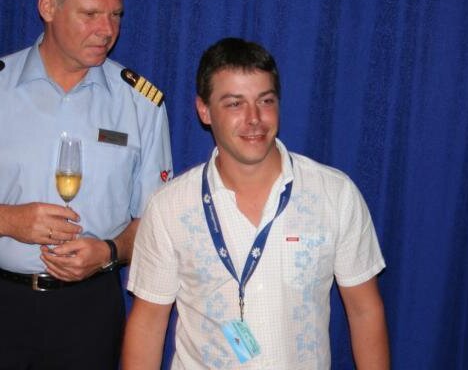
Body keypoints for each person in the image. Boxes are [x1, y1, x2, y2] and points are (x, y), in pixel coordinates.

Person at [122, 37, 389, 369]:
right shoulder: (168, 207)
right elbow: (148, 323)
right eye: (235, 104)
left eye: (265, 101)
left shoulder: (336, 195)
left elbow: (365, 310)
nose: (254, 118)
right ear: (204, 110)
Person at [0, 0, 172, 369]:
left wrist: (110, 252)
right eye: (91, 14)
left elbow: (156, 224)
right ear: (48, 6)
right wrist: (9, 220)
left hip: (90, 311)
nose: (107, 30)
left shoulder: (141, 104)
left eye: (115, 15)